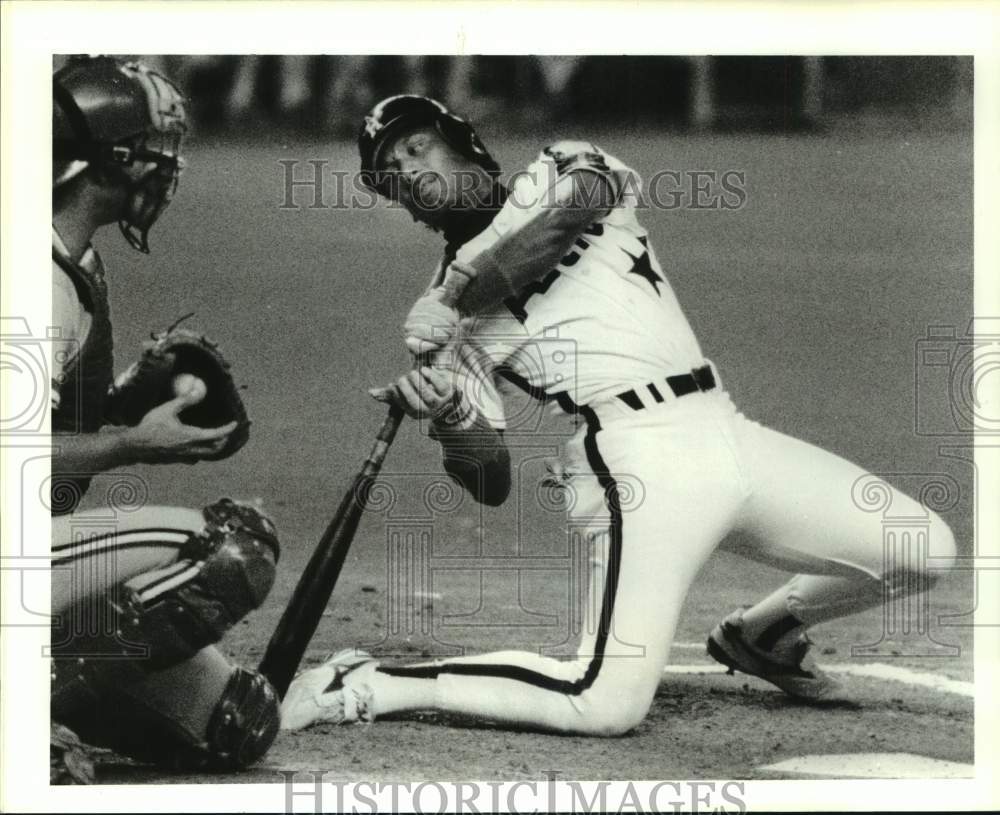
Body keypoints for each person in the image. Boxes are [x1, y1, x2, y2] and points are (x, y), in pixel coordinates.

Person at [280, 94, 957, 736]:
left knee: (921, 547)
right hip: (638, 463)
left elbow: (567, 216)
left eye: (420, 148)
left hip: (725, 426)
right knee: (604, 702)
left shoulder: (559, 166)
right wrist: (452, 412)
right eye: (393, 173)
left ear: (464, 141)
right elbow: (488, 479)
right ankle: (369, 680)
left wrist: (459, 289)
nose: (412, 173)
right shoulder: (446, 328)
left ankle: (762, 635)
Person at [50, 56, 281, 782]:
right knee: (226, 546)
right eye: (154, 153)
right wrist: (132, 441)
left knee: (235, 720)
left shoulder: (66, 255)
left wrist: (121, 403)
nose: (165, 171)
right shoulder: (30, 275)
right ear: (104, 164)